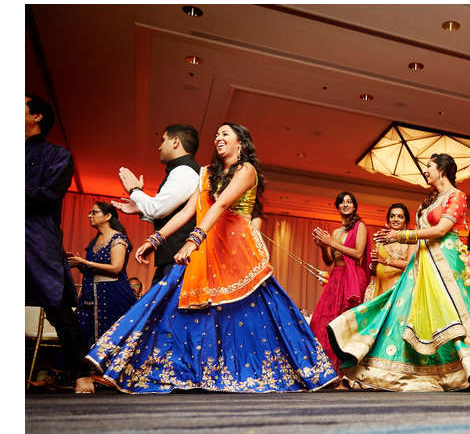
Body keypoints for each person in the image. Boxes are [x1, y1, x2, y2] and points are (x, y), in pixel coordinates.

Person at [85, 123, 338, 393]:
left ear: (240, 143)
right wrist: (155, 240)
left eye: (225, 134)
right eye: (216, 134)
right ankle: (183, 370)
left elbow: (221, 204)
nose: (218, 138)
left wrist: (193, 240)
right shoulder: (205, 173)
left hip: (237, 253)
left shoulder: (246, 170)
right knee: (176, 306)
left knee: (256, 314)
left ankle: (294, 368)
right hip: (207, 249)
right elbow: (186, 212)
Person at [329, 154, 470, 391]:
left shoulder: (457, 196)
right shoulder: (427, 202)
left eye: (429, 167)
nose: (425, 171)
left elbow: (442, 229)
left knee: (455, 310)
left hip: (446, 262)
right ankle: (409, 366)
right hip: (422, 260)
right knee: (404, 309)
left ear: (443, 171)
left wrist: (401, 235)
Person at [26, 94, 96, 393]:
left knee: (58, 308)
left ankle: (81, 373)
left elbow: (49, 194)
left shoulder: (58, 155)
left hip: (36, 236)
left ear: (37, 116)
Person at [112, 125, 201, 288]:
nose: (159, 147)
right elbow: (169, 211)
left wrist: (134, 190)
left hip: (179, 258)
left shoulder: (185, 171)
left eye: (163, 140)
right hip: (173, 258)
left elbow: (157, 209)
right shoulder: (182, 170)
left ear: (175, 142)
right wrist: (140, 209)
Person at [309, 191, 370, 380]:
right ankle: (327, 370)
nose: (346, 204)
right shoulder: (336, 232)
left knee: (347, 322)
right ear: (337, 207)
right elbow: (329, 260)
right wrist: (322, 246)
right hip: (336, 277)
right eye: (342, 202)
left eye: (349, 202)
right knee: (323, 320)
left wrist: (331, 243)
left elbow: (358, 253)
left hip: (353, 278)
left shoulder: (360, 226)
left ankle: (345, 371)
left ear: (354, 206)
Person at [67, 202, 138, 360]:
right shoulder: (95, 241)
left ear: (107, 216)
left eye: (94, 212)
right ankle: (82, 375)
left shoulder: (118, 238)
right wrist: (79, 264)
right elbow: (92, 270)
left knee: (112, 337)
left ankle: (105, 378)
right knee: (80, 334)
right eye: (89, 212)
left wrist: (85, 262)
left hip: (113, 295)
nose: (89, 215)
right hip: (90, 296)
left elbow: (116, 268)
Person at [364, 203, 411, 301]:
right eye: (392, 216)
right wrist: (373, 264)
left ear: (405, 221)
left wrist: (386, 261)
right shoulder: (381, 240)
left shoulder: (411, 240)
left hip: (400, 285)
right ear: (388, 220)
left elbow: (411, 264)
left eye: (400, 216)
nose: (395, 219)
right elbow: (373, 269)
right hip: (380, 284)